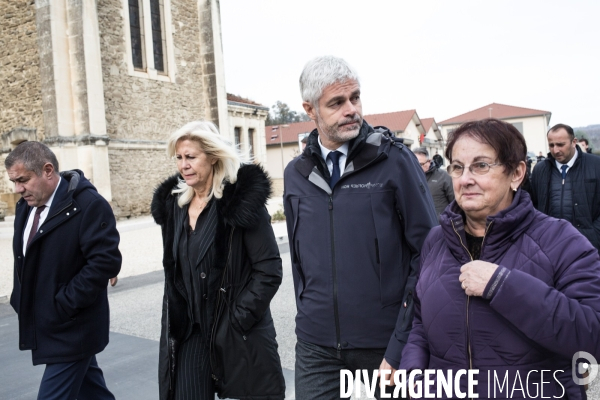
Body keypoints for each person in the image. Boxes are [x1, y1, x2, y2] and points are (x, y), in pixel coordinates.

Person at [399, 118, 600, 398]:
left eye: (481, 165)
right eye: (457, 167)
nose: (466, 178)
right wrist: (413, 377)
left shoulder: (562, 241)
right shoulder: (436, 240)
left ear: (517, 173)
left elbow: (591, 336)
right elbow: (420, 322)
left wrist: (502, 285)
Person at [283, 56, 438, 399]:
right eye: (337, 103)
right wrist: (308, 314)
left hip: (382, 348)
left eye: (355, 97)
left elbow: (429, 254)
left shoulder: (394, 161)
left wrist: (401, 343)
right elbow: (298, 259)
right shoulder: (296, 174)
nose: (351, 109)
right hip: (316, 350)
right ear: (310, 110)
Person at [151, 121, 285, 400]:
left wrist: (237, 319)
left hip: (235, 331)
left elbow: (269, 270)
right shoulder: (175, 207)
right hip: (191, 334)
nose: (183, 165)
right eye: (179, 158)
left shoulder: (240, 203)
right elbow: (174, 276)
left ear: (212, 157)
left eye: (191, 157)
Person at [5, 141, 122, 399]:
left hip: (73, 328)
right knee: (92, 393)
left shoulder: (89, 205)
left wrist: (64, 304)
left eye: (23, 180)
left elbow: (105, 262)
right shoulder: (26, 206)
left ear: (48, 170)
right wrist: (21, 298)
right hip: (48, 322)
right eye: (13, 181)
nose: (17, 189)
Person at [529, 124, 600, 250]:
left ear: (574, 142)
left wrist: (594, 234)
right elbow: (533, 205)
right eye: (551, 145)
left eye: (560, 144)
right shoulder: (540, 170)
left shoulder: (595, 165)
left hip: (588, 246)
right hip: (550, 246)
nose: (555, 150)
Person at [413, 147, 454, 218]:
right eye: (413, 164)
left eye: (420, 164)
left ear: (429, 162)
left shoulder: (444, 176)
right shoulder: (409, 178)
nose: (417, 168)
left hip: (441, 225)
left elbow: (454, 203)